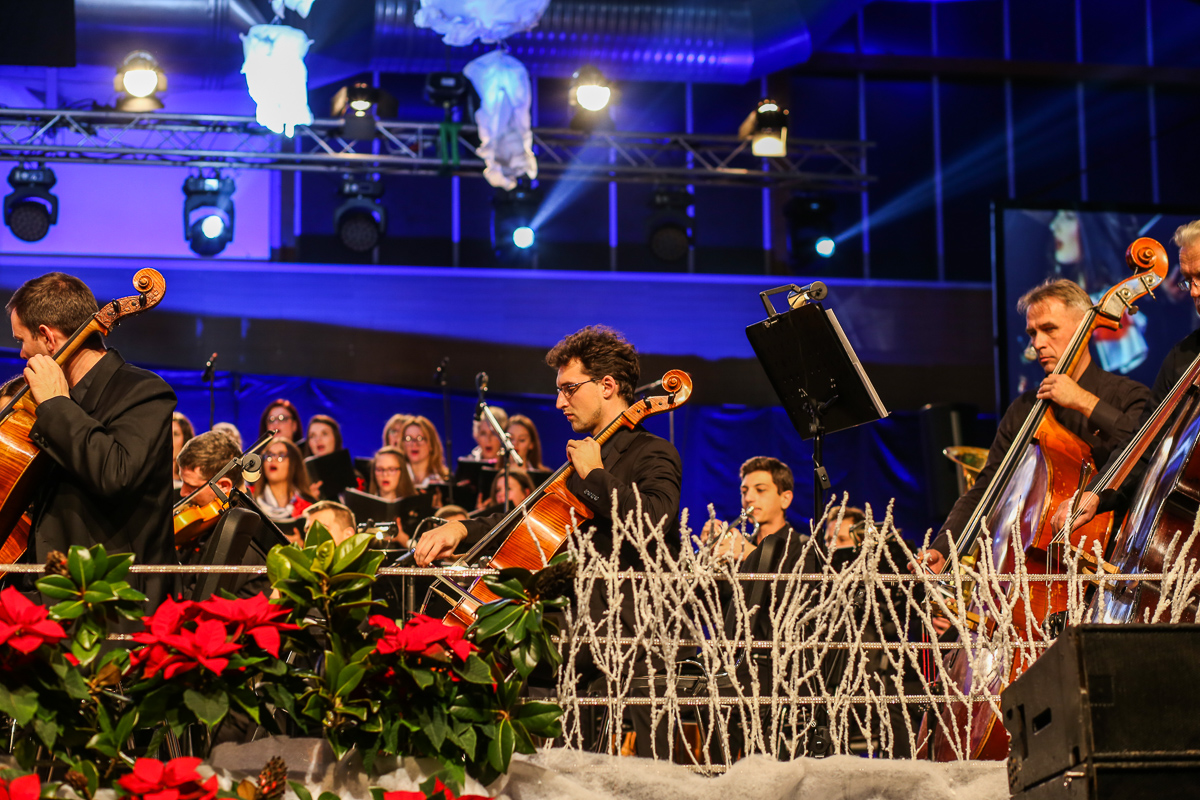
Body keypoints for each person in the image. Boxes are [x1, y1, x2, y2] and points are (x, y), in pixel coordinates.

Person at [416, 325, 682, 758]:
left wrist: (595, 477)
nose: (560, 402)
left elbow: (654, 522)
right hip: (565, 640)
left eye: (569, 389)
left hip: (620, 644)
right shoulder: (584, 454)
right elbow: (527, 517)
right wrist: (463, 528)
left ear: (608, 386)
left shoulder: (653, 453)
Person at [921, 279, 1151, 576]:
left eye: (1049, 329)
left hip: (1111, 561)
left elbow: (1145, 446)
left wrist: (1083, 401)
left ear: (1085, 326)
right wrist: (944, 549)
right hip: (1032, 568)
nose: (1037, 343)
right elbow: (988, 486)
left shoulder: (1129, 396)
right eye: (1032, 333)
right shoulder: (1024, 409)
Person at [7, 272, 177, 610]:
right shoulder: (46, 402)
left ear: (47, 337)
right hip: (42, 592)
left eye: (21, 340)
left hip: (111, 603)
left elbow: (115, 473)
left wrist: (56, 405)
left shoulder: (143, 392)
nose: (23, 353)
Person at [1055, 220, 1200, 536]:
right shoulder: (1183, 359)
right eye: (1189, 281)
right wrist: (1096, 493)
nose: (1195, 291)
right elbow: (1146, 444)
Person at [176, 430, 271, 599]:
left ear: (224, 486)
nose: (183, 492)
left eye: (191, 486)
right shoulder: (211, 520)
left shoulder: (243, 534)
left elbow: (198, 601)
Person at [252, 437, 314, 525]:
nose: (273, 459)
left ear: (293, 464)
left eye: (281, 456)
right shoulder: (249, 497)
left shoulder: (306, 509)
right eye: (269, 456)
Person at [400, 416, 450, 491]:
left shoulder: (446, 480)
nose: (414, 444)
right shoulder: (396, 479)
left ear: (431, 444)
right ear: (402, 444)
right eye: (408, 438)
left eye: (420, 438)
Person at [171, 411, 195, 489]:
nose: (170, 439)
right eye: (167, 434)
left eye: (175, 434)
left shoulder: (194, 476)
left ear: (185, 439)